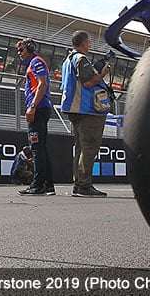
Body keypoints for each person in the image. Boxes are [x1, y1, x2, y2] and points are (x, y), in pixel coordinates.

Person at [60, 30, 111, 198]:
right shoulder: (81, 59)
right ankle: (84, 185)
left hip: (74, 109)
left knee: (81, 148)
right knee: (89, 147)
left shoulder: (68, 60)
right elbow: (88, 82)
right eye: (89, 43)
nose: (89, 46)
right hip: (87, 110)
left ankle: (79, 183)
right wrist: (102, 75)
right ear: (83, 43)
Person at [16, 38, 55, 196]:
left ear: (31, 48)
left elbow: (42, 84)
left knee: (36, 148)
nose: (19, 53)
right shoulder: (32, 64)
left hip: (38, 109)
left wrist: (32, 106)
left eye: (22, 49)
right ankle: (48, 185)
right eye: (18, 50)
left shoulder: (36, 62)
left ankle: (37, 185)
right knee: (41, 149)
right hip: (41, 108)